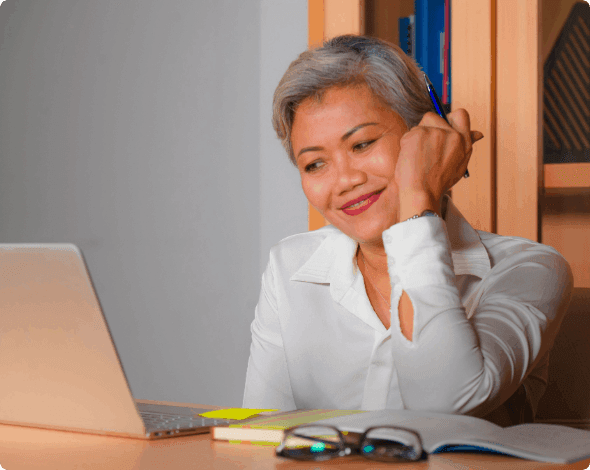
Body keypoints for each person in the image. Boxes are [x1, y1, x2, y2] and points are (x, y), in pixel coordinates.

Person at [243, 34, 573, 426]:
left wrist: (418, 202)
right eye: (315, 164)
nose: (345, 180)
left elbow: (444, 407)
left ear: (427, 135)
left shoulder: (530, 269)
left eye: (362, 144)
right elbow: (259, 434)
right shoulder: (289, 267)